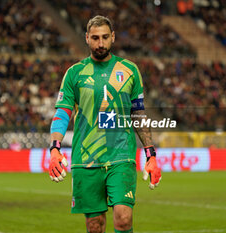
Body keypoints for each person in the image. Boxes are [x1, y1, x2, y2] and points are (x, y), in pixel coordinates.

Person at [48, 15, 162, 233]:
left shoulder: (130, 70)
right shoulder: (74, 73)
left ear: (113, 37)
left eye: (105, 37)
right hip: (86, 157)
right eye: (95, 38)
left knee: (123, 218)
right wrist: (55, 149)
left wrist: (151, 154)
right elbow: (62, 113)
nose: (100, 43)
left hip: (122, 155)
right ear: (87, 39)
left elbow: (137, 113)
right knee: (95, 225)